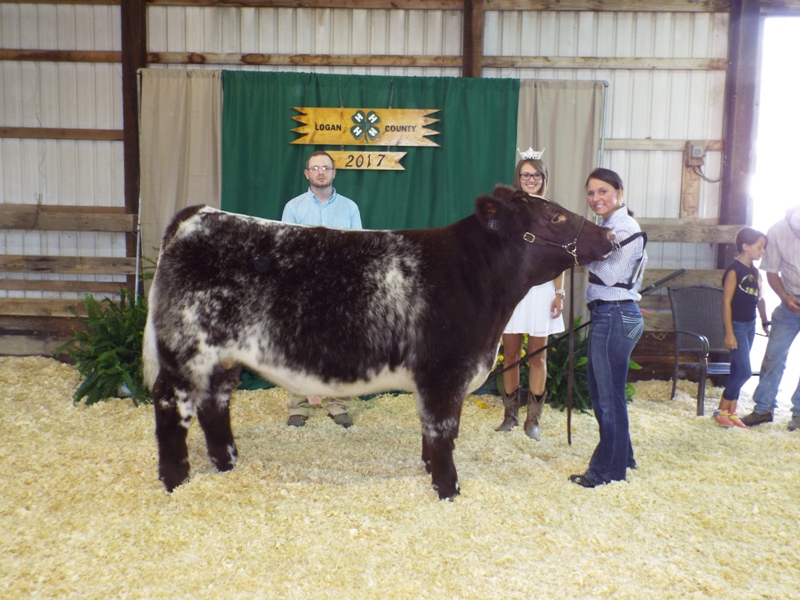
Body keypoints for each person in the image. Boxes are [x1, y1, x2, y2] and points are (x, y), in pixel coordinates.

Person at [570, 168, 647, 488]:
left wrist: (578, 253)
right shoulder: (608, 227)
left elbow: (611, 275)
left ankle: (606, 471)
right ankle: (623, 456)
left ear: (619, 192)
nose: (596, 198)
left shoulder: (624, 227)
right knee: (604, 392)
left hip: (616, 314)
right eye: (591, 193)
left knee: (608, 397)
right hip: (610, 314)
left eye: (603, 191)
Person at [281, 150, 362, 428]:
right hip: (304, 287)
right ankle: (298, 406)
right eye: (315, 168)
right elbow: (286, 249)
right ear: (307, 173)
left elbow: (358, 249)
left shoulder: (350, 208)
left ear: (334, 172)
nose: (321, 172)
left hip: (340, 288)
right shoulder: (293, 207)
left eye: (325, 168)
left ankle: (339, 404)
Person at [495, 149, 565, 441]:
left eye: (536, 175)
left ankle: (533, 420)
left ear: (544, 178)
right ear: (518, 178)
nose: (531, 179)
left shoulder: (553, 212)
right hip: (513, 289)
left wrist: (559, 292)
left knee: (538, 356)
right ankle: (510, 415)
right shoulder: (507, 211)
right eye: (526, 175)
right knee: (510, 355)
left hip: (541, 289)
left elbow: (560, 256)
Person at [740, 207, 800, 430]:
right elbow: (772, 272)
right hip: (790, 299)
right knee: (774, 354)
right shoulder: (777, 231)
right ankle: (763, 409)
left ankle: (799, 414)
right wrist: (784, 297)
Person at [713, 227, 769, 428]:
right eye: (759, 247)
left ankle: (732, 412)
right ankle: (721, 409)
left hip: (750, 324)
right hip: (736, 326)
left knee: (737, 368)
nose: (762, 251)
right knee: (745, 371)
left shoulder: (755, 271)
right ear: (745, 246)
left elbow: (759, 298)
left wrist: (765, 321)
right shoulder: (734, 270)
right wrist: (729, 332)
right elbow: (726, 302)